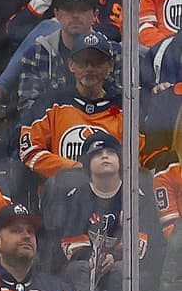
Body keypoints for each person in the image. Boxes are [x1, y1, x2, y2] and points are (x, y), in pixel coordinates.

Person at [39, 131, 162, 291]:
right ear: (87, 164)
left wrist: (114, 256)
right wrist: (91, 256)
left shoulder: (136, 194)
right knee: (75, 270)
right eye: (97, 154)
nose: (105, 156)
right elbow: (70, 239)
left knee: (124, 271)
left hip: (122, 261)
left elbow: (142, 238)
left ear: (120, 160)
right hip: (88, 263)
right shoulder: (76, 194)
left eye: (110, 152)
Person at [18, 30, 125, 183]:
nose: (89, 68)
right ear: (71, 65)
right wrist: (76, 167)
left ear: (110, 66)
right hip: (61, 199)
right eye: (83, 62)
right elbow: (29, 151)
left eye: (97, 62)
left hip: (111, 196)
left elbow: (139, 156)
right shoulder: (49, 104)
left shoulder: (125, 108)